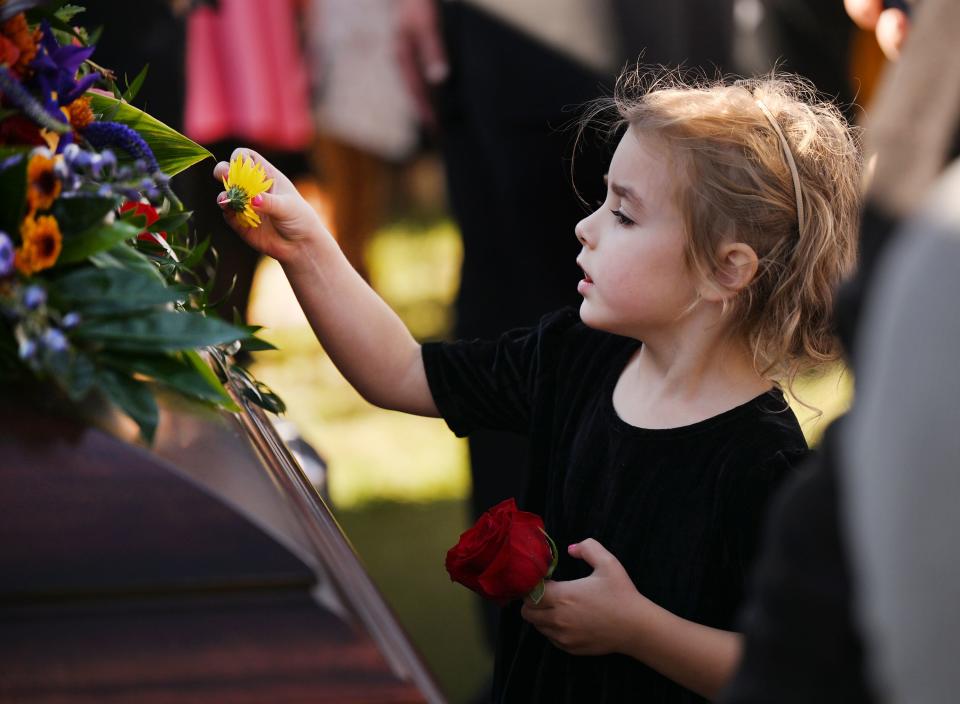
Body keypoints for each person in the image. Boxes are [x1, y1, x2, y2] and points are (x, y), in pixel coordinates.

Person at [212, 67, 860, 702]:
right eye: (604, 200)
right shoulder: (576, 357)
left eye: (626, 216)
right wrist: (305, 247)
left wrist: (637, 629)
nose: (587, 226)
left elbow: (786, 673)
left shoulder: (761, 465)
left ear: (728, 269)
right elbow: (402, 373)